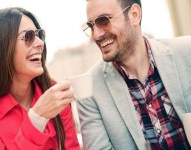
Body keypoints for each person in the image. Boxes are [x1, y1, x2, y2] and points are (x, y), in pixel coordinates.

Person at [77, 0, 191, 149]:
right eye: (91, 26)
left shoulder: (187, 52)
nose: (96, 35)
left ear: (134, 15)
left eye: (103, 21)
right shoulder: (89, 90)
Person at [0, 7, 79, 150]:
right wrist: (37, 118)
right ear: (2, 48)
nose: (40, 43)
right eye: (28, 36)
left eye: (40, 35)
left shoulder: (54, 94)